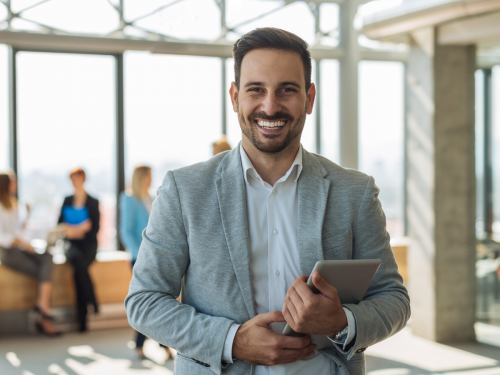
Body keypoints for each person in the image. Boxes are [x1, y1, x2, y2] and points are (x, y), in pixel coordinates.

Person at [125, 28, 410, 375]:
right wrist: (231, 341)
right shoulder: (184, 190)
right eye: (255, 89)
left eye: (287, 90)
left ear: (310, 97)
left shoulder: (355, 191)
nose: (270, 105)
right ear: (234, 97)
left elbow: (393, 300)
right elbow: (144, 302)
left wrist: (341, 321)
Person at [120, 165, 174, 360]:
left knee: (156, 299)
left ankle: (147, 345)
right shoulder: (128, 198)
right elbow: (126, 231)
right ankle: (160, 345)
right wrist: (140, 254)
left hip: (156, 255)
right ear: (140, 177)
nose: (151, 180)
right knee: (150, 299)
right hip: (138, 257)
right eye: (148, 176)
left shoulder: (150, 198)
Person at [0, 172, 61, 336]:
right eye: (13, 182)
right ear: (5, 184)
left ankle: (42, 306)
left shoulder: (13, 205)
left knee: (48, 257)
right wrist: (23, 244)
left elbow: (18, 232)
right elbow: (4, 238)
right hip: (7, 252)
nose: (16, 184)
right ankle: (44, 313)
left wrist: (27, 216)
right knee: (45, 273)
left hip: (19, 247)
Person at [58, 168, 100, 332]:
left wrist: (76, 229)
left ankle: (82, 319)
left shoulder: (93, 201)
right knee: (77, 261)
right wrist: (79, 229)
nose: (74, 181)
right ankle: (92, 301)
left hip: (88, 245)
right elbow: (60, 225)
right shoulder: (67, 200)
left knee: (78, 270)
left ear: (83, 179)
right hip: (71, 245)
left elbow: (94, 228)